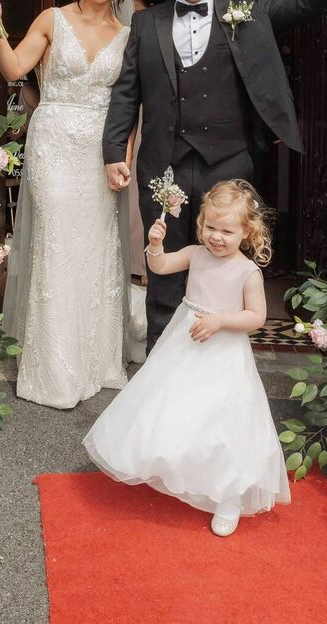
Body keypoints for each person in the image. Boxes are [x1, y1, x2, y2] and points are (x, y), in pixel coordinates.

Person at [103, 0, 327, 351]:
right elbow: (127, 91)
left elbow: (306, 2)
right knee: (164, 262)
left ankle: (218, 366)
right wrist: (113, 153)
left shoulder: (248, 11)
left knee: (226, 269)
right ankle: (161, 372)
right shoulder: (147, 25)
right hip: (162, 163)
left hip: (228, 162)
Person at [83, 180, 290, 536]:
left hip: (224, 353)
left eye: (227, 230)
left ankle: (229, 496)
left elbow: (256, 317)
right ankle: (180, 467)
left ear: (246, 232)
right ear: (201, 224)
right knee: (174, 406)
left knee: (223, 422)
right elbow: (161, 268)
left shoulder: (246, 272)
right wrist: (155, 245)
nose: (216, 237)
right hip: (185, 344)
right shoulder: (196, 254)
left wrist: (221, 320)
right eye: (210, 227)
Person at [0, 0, 133, 409]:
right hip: (52, 144)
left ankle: (93, 363)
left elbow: (128, 107)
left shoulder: (128, 34)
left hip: (99, 151)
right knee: (56, 244)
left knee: (93, 247)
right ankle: (52, 370)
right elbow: (14, 67)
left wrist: (125, 159)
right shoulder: (53, 19)